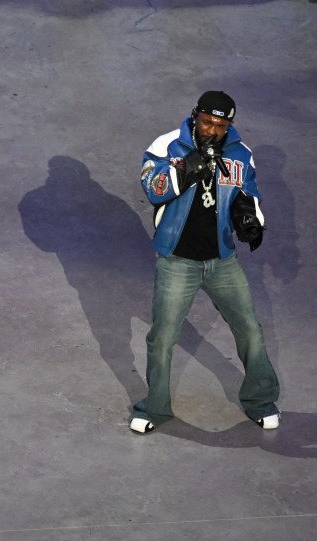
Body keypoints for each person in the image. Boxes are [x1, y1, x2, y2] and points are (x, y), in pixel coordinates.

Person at [131, 91, 280, 434]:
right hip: (178, 261)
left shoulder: (241, 154)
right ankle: (154, 407)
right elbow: (152, 188)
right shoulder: (167, 146)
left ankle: (260, 401)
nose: (213, 130)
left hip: (222, 260)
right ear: (195, 115)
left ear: (230, 125)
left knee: (251, 332)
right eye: (207, 122)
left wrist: (249, 216)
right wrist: (187, 169)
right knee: (163, 338)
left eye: (221, 125)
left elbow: (250, 195)